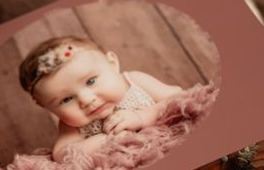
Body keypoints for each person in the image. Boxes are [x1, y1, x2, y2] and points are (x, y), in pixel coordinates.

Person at [18, 36, 183, 161]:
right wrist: (104, 140)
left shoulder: (135, 82)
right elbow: (61, 155)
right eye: (67, 99)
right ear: (47, 107)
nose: (86, 100)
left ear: (112, 63)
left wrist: (142, 117)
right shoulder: (71, 125)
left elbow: (179, 98)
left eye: (90, 81)